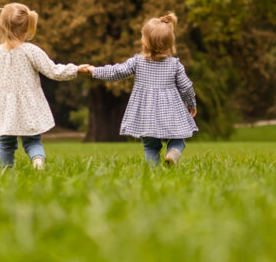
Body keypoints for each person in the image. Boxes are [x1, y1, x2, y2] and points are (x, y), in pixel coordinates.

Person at [0, 2, 81, 169]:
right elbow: (54, 70)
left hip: (4, 109)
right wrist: (76, 69)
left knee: (6, 144)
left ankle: (6, 172)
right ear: (27, 27)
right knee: (33, 140)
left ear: (1, 26)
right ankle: (37, 160)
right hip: (29, 106)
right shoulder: (31, 51)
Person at [79, 12, 197, 166]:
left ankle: (153, 172)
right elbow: (186, 86)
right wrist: (191, 103)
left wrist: (95, 71)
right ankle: (173, 153)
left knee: (150, 146)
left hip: (145, 114)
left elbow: (116, 72)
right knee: (178, 139)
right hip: (170, 112)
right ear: (170, 42)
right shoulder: (175, 64)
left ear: (145, 41)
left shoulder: (137, 62)